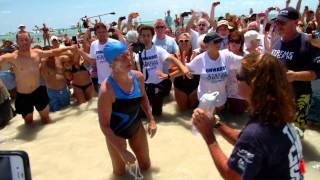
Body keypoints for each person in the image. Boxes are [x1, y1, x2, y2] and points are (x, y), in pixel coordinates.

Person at [192, 53, 304, 179]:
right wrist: (216, 123)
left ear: (255, 84)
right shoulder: (277, 115)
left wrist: (208, 135)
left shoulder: (256, 133)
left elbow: (232, 176)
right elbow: (248, 142)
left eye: (239, 76)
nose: (235, 79)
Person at [98, 41, 156, 176]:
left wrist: (151, 119)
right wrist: (122, 150)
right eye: (122, 57)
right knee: (119, 173)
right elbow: (104, 125)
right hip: (115, 133)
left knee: (146, 166)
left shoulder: (138, 77)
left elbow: (143, 98)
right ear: (111, 63)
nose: (128, 59)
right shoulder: (107, 90)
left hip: (136, 128)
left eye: (127, 55)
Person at [0, 32, 76, 124]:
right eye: (21, 40)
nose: (24, 42)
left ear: (30, 40)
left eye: (26, 40)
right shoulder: (13, 57)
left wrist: (69, 47)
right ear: (17, 42)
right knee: (29, 123)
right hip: (23, 95)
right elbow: (2, 59)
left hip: (38, 91)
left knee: (47, 120)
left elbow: (52, 52)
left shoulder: (36, 53)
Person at [271, 7, 320, 134]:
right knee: (275, 132)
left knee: (295, 135)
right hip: (277, 96)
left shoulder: (308, 42)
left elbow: (316, 73)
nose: (278, 25)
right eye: (277, 22)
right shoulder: (276, 40)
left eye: (283, 23)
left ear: (295, 22)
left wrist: (295, 76)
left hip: (299, 97)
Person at [135, 25, 192, 115]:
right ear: (140, 37)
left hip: (158, 85)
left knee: (157, 113)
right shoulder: (137, 53)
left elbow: (173, 59)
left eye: (148, 35)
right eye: (143, 35)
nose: (146, 38)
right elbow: (134, 70)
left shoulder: (159, 50)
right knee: (143, 114)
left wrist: (183, 68)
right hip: (144, 87)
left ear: (152, 36)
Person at [186, 32, 242, 112]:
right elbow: (186, 68)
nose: (218, 43)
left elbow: (244, 61)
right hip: (206, 100)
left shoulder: (227, 56)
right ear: (207, 44)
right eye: (215, 42)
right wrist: (169, 75)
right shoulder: (200, 59)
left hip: (221, 100)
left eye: (219, 41)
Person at [78, 23, 119, 90]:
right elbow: (93, 60)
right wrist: (80, 52)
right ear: (96, 34)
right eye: (99, 32)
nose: (102, 34)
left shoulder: (115, 43)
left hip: (116, 81)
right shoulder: (94, 44)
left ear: (107, 32)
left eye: (104, 32)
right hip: (102, 82)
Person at [171, 33, 199, 112]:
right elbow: (171, 70)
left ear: (190, 43)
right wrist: (183, 66)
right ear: (178, 44)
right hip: (180, 87)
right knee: (183, 112)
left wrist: (183, 67)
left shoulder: (196, 55)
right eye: (181, 41)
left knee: (194, 111)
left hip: (194, 86)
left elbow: (198, 69)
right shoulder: (174, 56)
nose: (184, 43)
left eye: (186, 41)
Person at [225, 31, 247, 114]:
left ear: (241, 43)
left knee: (237, 114)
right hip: (224, 90)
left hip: (239, 93)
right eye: (231, 41)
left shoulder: (247, 56)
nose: (234, 43)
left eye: (237, 41)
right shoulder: (223, 54)